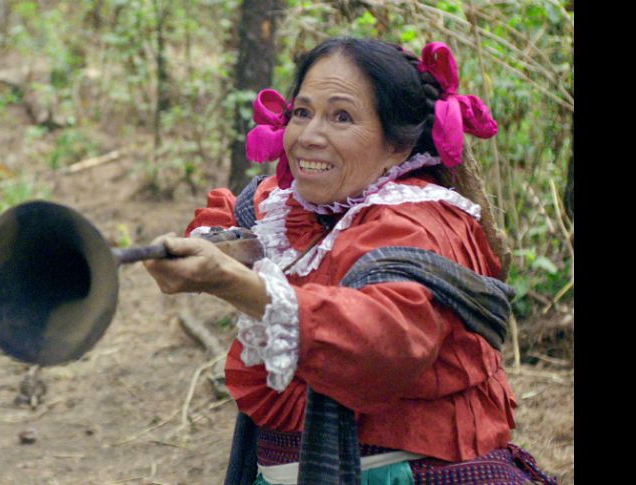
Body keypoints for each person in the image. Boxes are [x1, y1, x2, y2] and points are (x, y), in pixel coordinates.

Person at [143, 37, 557, 485]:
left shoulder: (422, 223)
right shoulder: (292, 205)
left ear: (397, 147)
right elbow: (237, 218)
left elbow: (381, 338)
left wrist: (232, 282)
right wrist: (216, 246)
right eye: (302, 112)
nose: (309, 136)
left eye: (342, 116)